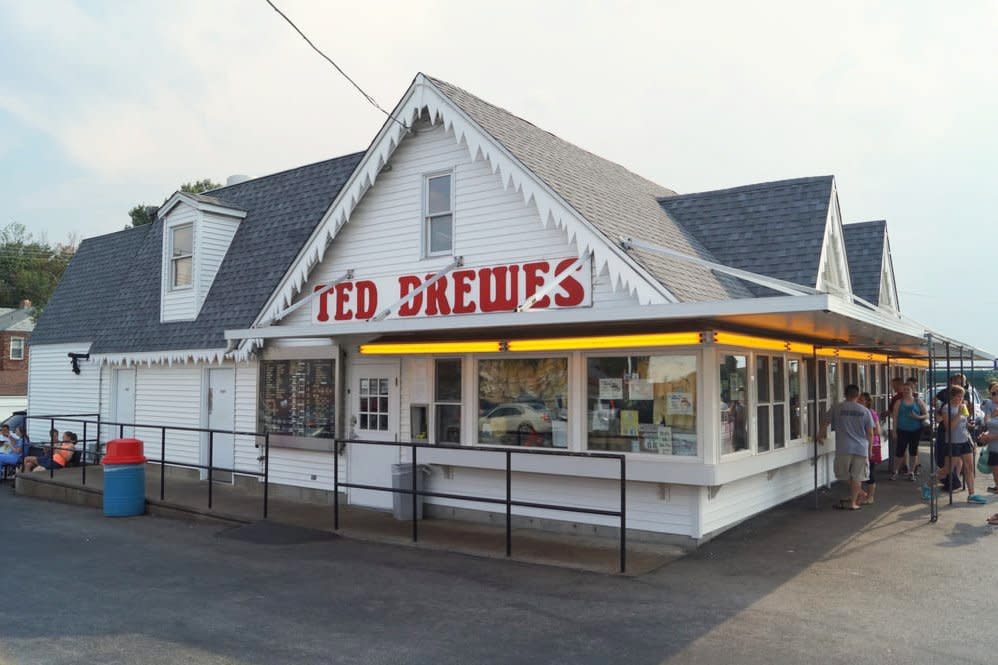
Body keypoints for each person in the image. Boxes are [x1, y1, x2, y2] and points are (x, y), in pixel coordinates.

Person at [818, 384, 875, 510]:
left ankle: (858, 494)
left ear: (845, 394)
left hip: (844, 447)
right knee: (857, 476)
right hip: (861, 447)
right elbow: (870, 432)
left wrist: (820, 435)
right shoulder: (864, 411)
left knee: (841, 474)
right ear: (858, 395)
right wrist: (870, 449)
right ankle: (854, 501)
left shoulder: (837, 408)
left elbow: (825, 422)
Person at [937, 386, 987, 503]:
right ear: (952, 396)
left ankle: (971, 494)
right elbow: (949, 427)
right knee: (947, 469)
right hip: (953, 442)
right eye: (958, 396)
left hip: (965, 440)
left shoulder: (963, 406)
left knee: (969, 467)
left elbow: (963, 424)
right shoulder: (946, 408)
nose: (961, 398)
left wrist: (970, 425)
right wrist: (959, 414)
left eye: (962, 396)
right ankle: (928, 484)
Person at [891, 381, 929, 481]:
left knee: (913, 451)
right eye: (904, 389)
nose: (906, 391)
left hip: (915, 429)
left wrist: (917, 417)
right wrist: (894, 431)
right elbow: (895, 417)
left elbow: (926, 414)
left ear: (912, 390)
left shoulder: (918, 401)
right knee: (900, 451)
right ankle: (895, 471)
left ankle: (911, 472)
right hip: (902, 429)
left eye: (908, 389)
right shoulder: (899, 402)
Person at [859, 392, 880, 504]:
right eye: (858, 399)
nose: (859, 402)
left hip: (871, 445)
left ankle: (870, 497)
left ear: (867, 402)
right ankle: (861, 494)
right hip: (861, 445)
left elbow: (877, 430)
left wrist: (865, 434)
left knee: (870, 472)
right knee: (859, 472)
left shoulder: (871, 413)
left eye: (861, 400)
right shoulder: (859, 412)